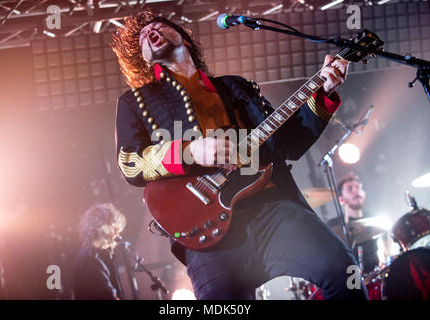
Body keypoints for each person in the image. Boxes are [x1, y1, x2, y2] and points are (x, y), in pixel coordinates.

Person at [111, 10, 367, 300]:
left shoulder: (237, 87)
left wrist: (323, 95)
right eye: (144, 36)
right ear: (144, 59)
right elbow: (130, 164)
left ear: (182, 35)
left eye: (158, 26)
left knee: (346, 276)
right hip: (206, 235)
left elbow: (288, 144)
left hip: (272, 209)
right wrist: (190, 150)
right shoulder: (134, 102)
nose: (150, 32)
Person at [328, 173, 390, 274]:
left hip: (375, 275)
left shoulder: (374, 219)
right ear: (341, 199)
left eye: (358, 187)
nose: (355, 191)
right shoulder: (334, 225)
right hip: (349, 279)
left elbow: (387, 242)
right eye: (350, 189)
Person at [74, 203, 126, 300]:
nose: (117, 233)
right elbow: (106, 294)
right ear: (102, 227)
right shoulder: (90, 258)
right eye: (114, 227)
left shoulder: (96, 254)